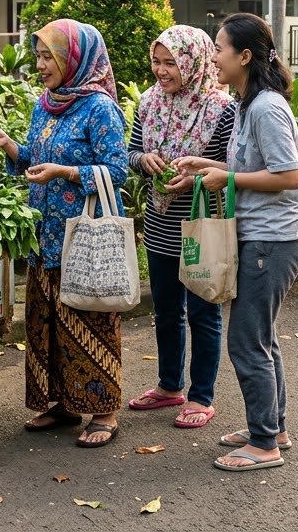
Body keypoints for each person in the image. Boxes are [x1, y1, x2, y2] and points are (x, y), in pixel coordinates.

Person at [0, 18, 129, 448]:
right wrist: (9, 146)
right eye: (39, 56)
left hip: (84, 236)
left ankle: (104, 410)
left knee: (89, 319)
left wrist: (65, 172)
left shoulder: (99, 108)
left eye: (49, 57)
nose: (41, 65)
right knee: (49, 324)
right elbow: (33, 158)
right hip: (44, 236)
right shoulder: (46, 103)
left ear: (74, 60)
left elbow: (117, 171)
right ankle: (62, 403)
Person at [175, 13, 298, 472]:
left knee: (246, 341)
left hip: (274, 239)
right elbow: (252, 164)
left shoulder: (267, 106)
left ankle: (264, 444)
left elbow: (289, 176)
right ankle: (272, 427)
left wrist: (227, 177)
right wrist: (203, 164)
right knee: (262, 337)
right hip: (265, 236)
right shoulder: (247, 103)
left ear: (245, 56)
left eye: (219, 48)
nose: (213, 57)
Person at [126, 25, 236, 429]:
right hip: (160, 222)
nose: (161, 71)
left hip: (201, 223)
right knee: (166, 310)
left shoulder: (221, 108)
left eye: (170, 62)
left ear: (193, 61)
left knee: (204, 311)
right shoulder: (150, 103)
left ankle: (202, 396)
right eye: (156, 61)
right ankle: (169, 385)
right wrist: (144, 162)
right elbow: (131, 152)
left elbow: (231, 165)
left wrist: (195, 178)